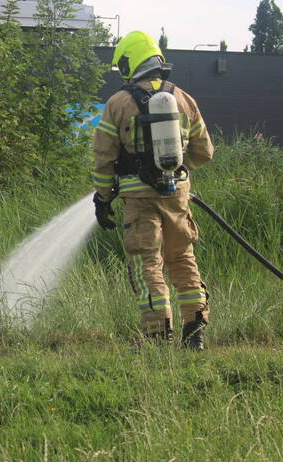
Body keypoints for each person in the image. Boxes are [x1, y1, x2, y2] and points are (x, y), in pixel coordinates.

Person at [91, 30, 215, 349]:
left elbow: (104, 157)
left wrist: (103, 199)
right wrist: (178, 171)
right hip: (177, 196)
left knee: (148, 262)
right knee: (183, 257)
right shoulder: (184, 99)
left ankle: (157, 335)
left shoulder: (118, 103)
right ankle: (194, 331)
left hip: (138, 199)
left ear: (130, 62)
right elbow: (205, 153)